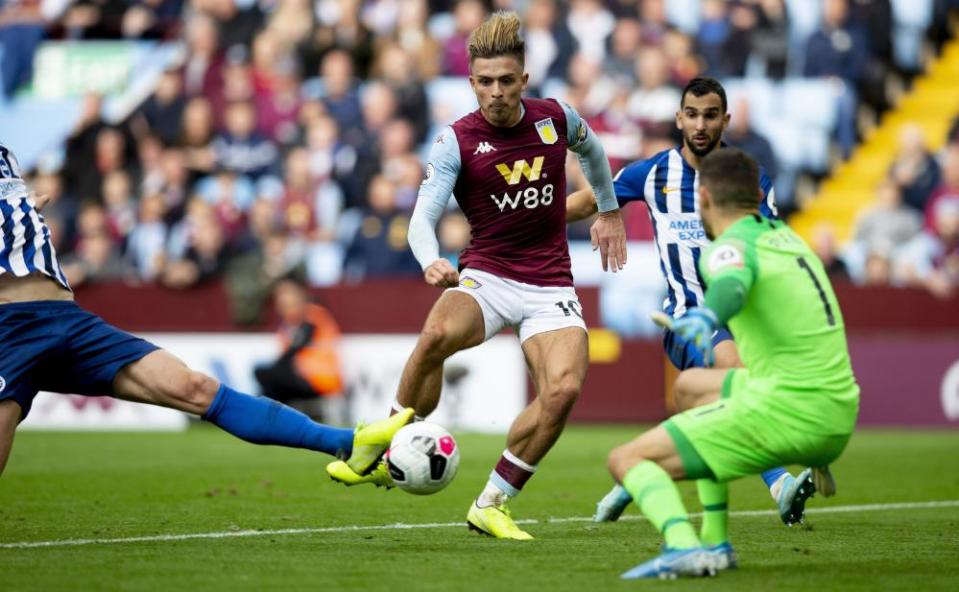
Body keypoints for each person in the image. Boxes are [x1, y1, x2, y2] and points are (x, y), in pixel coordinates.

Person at [325, 11, 627, 540]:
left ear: (524, 80)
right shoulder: (455, 141)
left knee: (564, 390)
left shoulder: (555, 118)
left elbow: (594, 151)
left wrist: (608, 209)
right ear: (471, 83)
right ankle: (385, 436)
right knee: (436, 334)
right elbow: (422, 217)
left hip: (550, 284)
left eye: (506, 81)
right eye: (484, 83)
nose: (495, 93)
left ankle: (493, 502)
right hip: (486, 275)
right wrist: (429, 259)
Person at [0, 141, 411, 479]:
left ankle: (349, 444)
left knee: (195, 387)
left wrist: (23, 208)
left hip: (67, 320)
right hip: (10, 329)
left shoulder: (8, 156)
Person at [566, 77, 813, 526]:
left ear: (725, 120)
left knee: (714, 406)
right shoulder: (653, 173)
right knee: (736, 379)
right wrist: (522, 217)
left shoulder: (751, 179)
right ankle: (779, 484)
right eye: (692, 114)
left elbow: (774, 246)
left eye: (710, 115)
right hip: (688, 317)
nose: (700, 124)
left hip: (746, 318)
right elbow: (591, 200)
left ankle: (635, 470)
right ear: (680, 118)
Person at [608, 148, 859, 578]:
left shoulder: (727, 247)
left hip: (790, 411)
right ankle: (718, 542)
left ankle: (683, 546)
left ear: (703, 196)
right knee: (692, 389)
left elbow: (730, 285)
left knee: (627, 459)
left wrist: (706, 315)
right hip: (836, 412)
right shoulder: (790, 240)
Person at [254, 277, 345, 423]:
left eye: (286, 293)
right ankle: (266, 418)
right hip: (301, 378)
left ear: (300, 295)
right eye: (279, 294)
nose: (282, 299)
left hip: (320, 379)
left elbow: (293, 351)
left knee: (268, 374)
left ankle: (263, 416)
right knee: (268, 376)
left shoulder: (313, 316)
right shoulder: (288, 324)